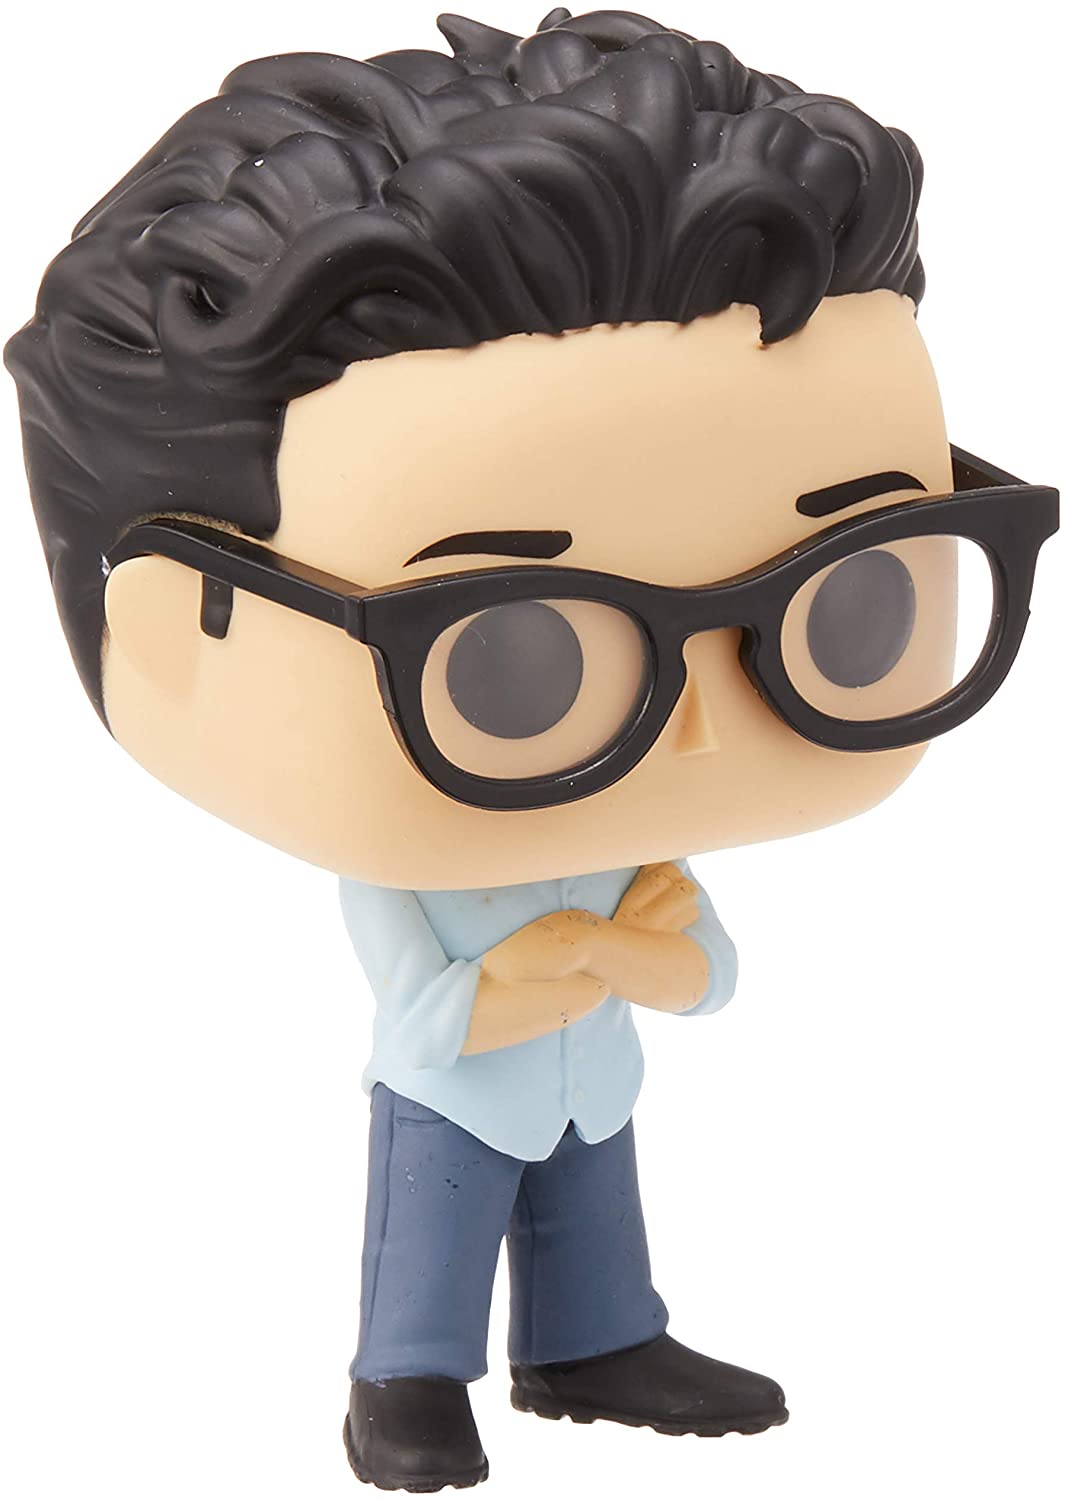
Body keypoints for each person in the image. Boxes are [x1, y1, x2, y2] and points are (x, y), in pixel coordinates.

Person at [6, 8, 1056, 1492]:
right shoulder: (417, 864)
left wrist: (611, 960)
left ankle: (594, 1342)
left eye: (848, 598)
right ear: (176, 627)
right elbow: (425, 1017)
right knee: (427, 1243)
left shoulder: (629, 843)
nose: (700, 723)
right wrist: (598, 958)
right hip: (456, 1096)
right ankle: (407, 1380)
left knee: (594, 1222)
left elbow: (707, 977)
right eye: (514, 656)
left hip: (588, 1081)